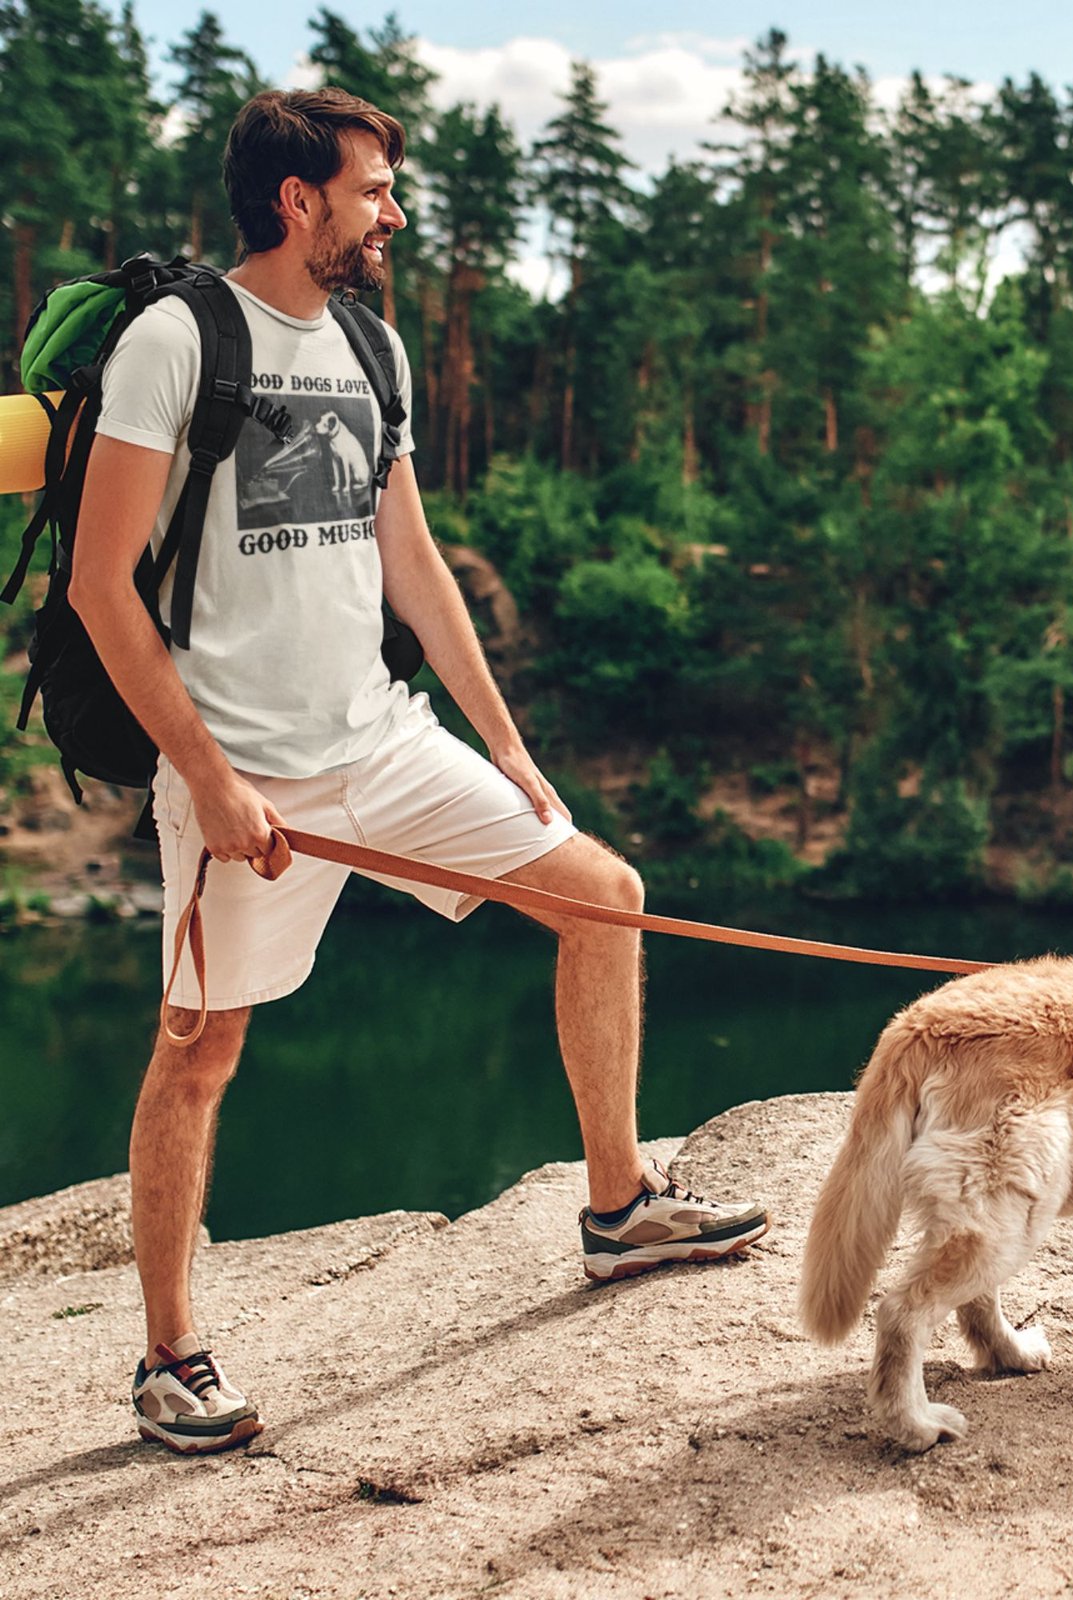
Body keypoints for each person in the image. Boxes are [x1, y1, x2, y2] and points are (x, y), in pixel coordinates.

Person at [71, 87, 767, 1457]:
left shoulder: (372, 351)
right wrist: (206, 776)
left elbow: (416, 563)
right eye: (375, 187)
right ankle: (168, 1360)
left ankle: (618, 1209)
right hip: (241, 773)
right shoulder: (179, 342)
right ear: (298, 200)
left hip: (383, 744)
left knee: (603, 895)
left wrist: (503, 744)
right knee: (200, 1053)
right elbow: (104, 589)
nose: (393, 210)